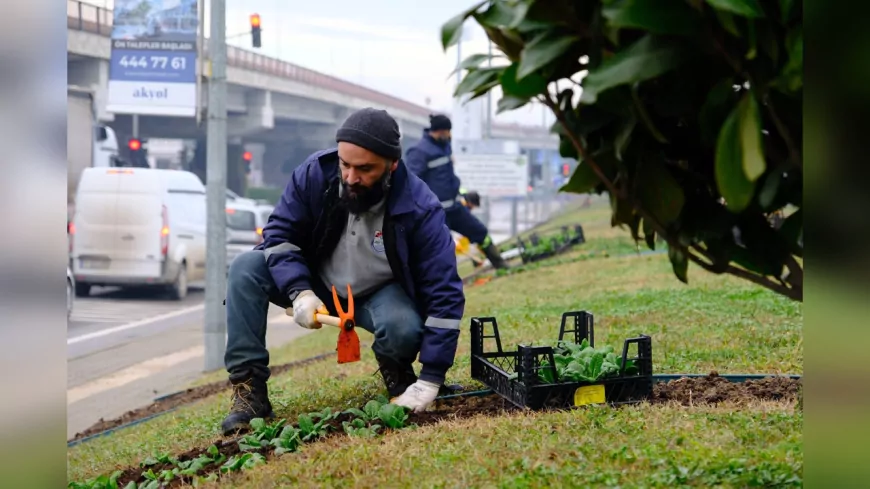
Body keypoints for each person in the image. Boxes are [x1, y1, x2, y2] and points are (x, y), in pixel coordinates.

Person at [220, 108, 465, 435]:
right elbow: (279, 235)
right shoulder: (314, 175)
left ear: (392, 165)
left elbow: (445, 293)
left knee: (402, 327)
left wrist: (432, 378)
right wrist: (299, 291)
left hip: (376, 293)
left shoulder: (421, 208)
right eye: (345, 165)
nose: (351, 177)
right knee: (245, 268)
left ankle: (398, 373)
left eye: (365, 169)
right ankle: (249, 391)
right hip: (315, 283)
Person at [405, 114, 508, 270]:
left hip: (454, 208)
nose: (450, 135)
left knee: (480, 232)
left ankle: (501, 265)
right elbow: (412, 183)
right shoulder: (418, 152)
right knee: (441, 251)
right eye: (448, 132)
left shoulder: (444, 146)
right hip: (435, 212)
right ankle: (441, 286)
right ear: (440, 131)